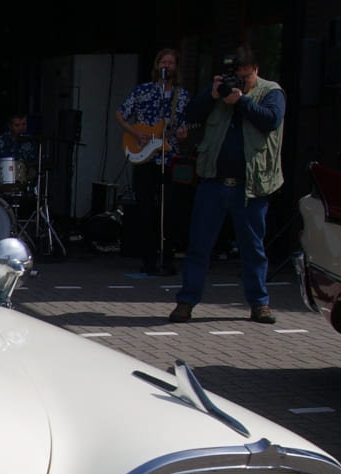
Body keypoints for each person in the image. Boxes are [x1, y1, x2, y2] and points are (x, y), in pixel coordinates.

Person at [169, 44, 285, 324]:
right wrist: (212, 95)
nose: (239, 83)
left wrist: (242, 100)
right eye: (235, 77)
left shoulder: (271, 92)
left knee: (253, 249)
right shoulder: (217, 92)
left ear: (255, 71)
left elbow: (271, 120)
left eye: (245, 78)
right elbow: (191, 116)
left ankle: (260, 304)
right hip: (213, 182)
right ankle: (186, 301)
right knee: (199, 245)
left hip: (251, 186)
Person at [115, 48, 191, 275]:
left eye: (171, 62)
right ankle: (148, 259)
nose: (167, 65)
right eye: (163, 62)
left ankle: (167, 259)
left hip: (169, 158)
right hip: (144, 156)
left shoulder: (182, 96)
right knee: (145, 209)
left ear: (176, 67)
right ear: (157, 66)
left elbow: (185, 126)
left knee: (169, 210)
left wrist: (184, 133)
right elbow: (120, 113)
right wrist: (135, 133)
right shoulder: (143, 91)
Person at [0, 113, 38, 188]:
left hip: (23, 186)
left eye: (24, 124)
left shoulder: (30, 142)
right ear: (10, 126)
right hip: (1, 186)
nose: (21, 128)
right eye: (17, 125)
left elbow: (34, 166)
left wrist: (27, 177)